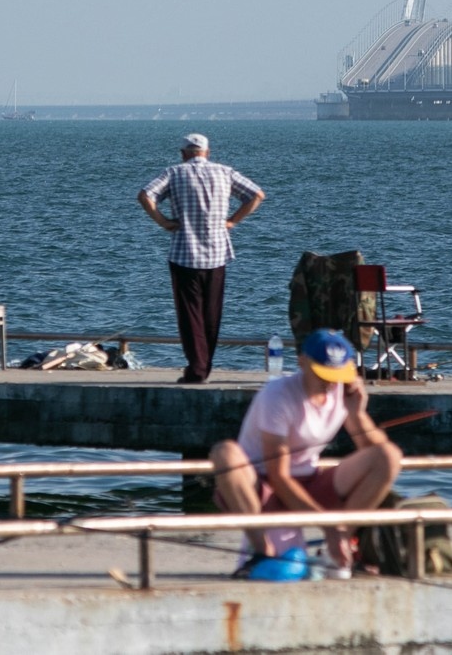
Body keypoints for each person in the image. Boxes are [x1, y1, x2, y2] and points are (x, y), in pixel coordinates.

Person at [209, 328, 402, 577]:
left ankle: (340, 545)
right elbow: (278, 477)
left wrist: (357, 414)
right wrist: (327, 527)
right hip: (263, 485)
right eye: (323, 373)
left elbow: (375, 452)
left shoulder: (342, 392)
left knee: (389, 456)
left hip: (310, 479)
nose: (331, 381)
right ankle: (262, 552)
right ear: (302, 362)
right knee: (224, 452)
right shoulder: (278, 395)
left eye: (337, 373)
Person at [137, 132, 265, 383]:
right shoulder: (225, 172)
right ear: (207, 152)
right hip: (217, 253)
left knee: (189, 314)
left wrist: (163, 221)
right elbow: (257, 195)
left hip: (184, 251)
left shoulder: (174, 173)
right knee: (211, 313)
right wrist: (232, 221)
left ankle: (196, 368)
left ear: (184, 154)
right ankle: (204, 366)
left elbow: (145, 196)